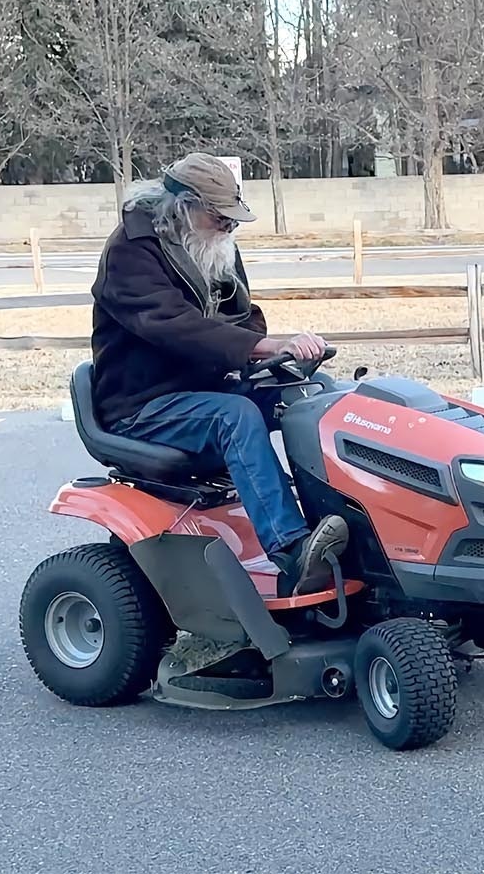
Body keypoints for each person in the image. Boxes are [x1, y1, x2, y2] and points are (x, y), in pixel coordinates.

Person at [89, 152, 348, 598]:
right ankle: (292, 552)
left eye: (234, 220)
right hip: (143, 404)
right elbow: (172, 325)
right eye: (221, 218)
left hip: (205, 385)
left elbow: (243, 317)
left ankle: (348, 526)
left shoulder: (209, 244)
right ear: (185, 207)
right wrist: (261, 347)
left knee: (315, 397)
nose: (230, 228)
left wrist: (278, 359)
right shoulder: (130, 253)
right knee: (235, 417)